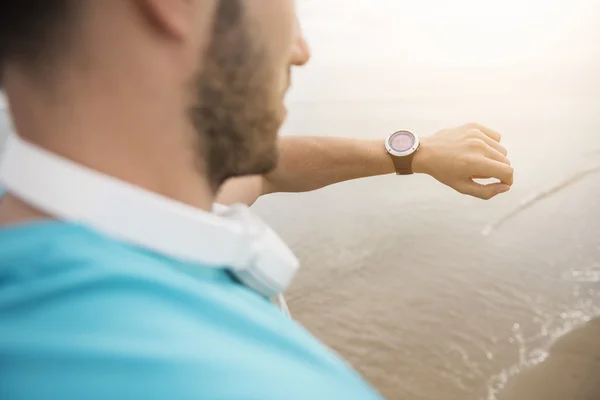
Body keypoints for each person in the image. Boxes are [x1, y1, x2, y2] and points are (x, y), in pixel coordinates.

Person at [0, 2, 512, 400]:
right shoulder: (259, 383)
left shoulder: (42, 215)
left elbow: (262, 170)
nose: (301, 49)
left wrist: (411, 154)